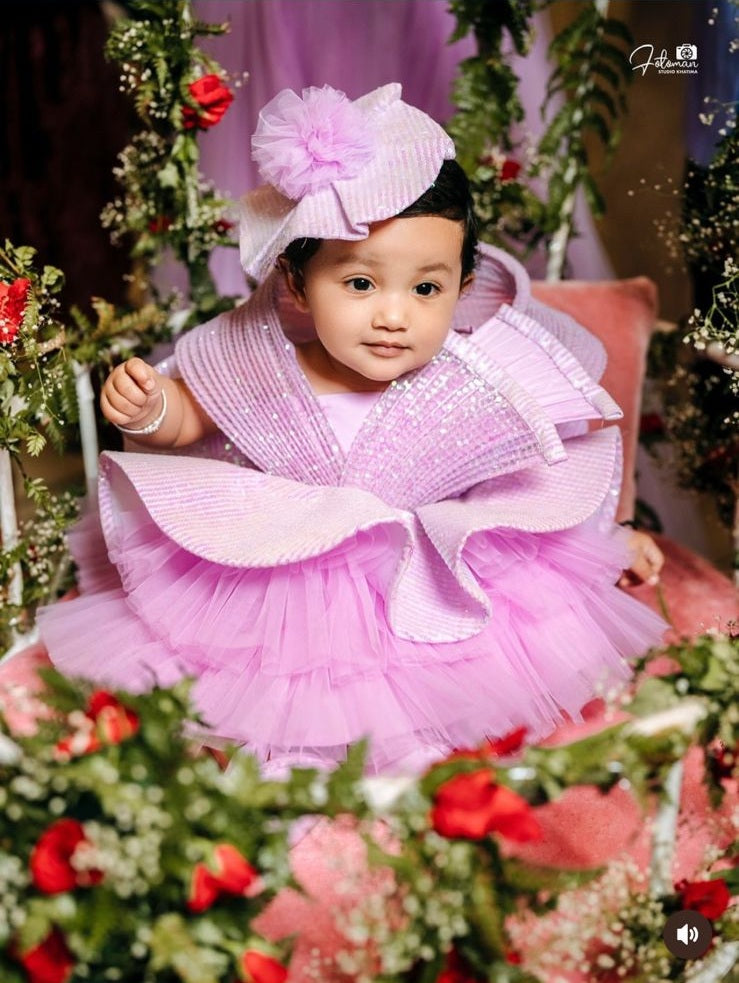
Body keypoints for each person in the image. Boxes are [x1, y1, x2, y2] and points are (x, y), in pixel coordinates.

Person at [39, 84, 666, 775]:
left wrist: (609, 538)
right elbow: (191, 417)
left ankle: (409, 757)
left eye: (425, 289)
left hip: (421, 581)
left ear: (460, 287)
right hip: (289, 581)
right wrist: (152, 409)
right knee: (275, 694)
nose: (393, 316)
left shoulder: (470, 376)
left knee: (433, 692)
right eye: (361, 284)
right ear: (298, 284)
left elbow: (527, 489)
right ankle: (281, 760)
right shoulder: (268, 363)